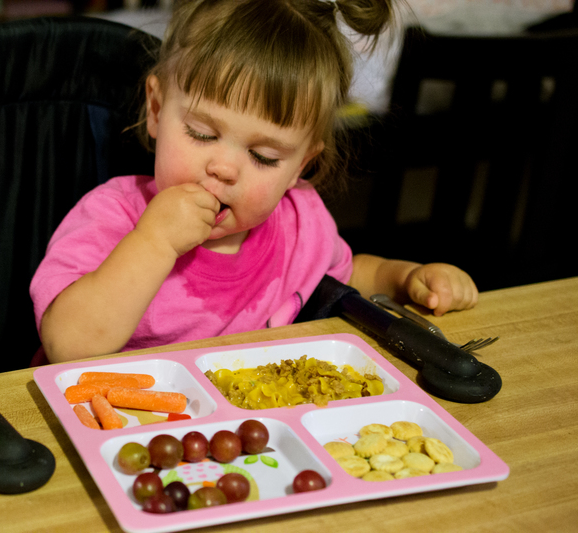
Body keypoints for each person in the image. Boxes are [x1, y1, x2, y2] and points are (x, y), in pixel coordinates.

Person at [30, 0, 478, 364]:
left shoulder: (299, 222)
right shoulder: (113, 216)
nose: (224, 168)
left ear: (301, 165)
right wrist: (154, 242)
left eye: (264, 157)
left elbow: (345, 275)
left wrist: (406, 278)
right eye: (202, 133)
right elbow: (68, 345)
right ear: (156, 108)